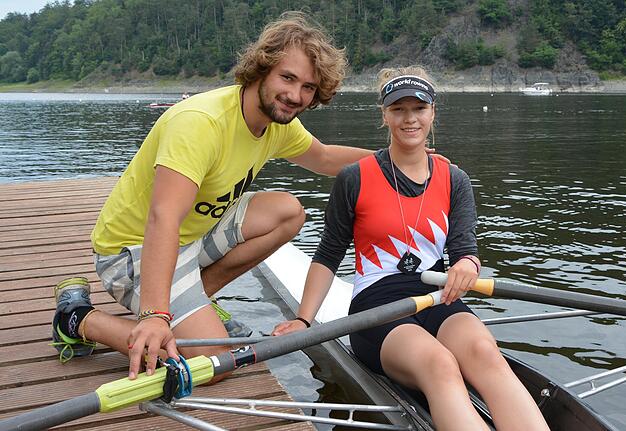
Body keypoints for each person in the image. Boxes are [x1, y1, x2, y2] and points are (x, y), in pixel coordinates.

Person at [50, 11, 378, 383]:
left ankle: (191, 304)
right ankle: (78, 320)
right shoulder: (200, 123)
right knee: (215, 361)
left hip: (192, 236)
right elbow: (163, 219)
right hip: (132, 249)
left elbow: (324, 156)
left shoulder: (276, 121)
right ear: (262, 69)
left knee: (288, 212)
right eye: (288, 78)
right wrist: (155, 314)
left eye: (308, 88)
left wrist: (394, 160)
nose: (295, 95)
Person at [272, 67, 550, 431]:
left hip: (439, 297)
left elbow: (466, 248)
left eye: (418, 108)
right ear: (384, 115)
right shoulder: (353, 177)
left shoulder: (454, 179)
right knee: (440, 364)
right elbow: (329, 253)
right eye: (398, 109)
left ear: (433, 113)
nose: (409, 118)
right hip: (377, 307)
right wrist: (304, 320)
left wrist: (467, 264)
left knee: (487, 354)